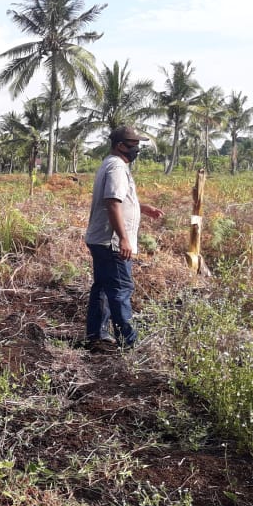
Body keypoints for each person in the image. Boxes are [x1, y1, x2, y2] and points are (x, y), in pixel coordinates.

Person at [83, 126, 164, 352]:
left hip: (100, 239)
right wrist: (124, 239)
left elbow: (118, 199)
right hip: (111, 242)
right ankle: (129, 344)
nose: (136, 149)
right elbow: (112, 202)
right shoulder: (117, 167)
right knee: (120, 289)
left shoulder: (111, 163)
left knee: (103, 287)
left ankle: (97, 335)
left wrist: (142, 207)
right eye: (133, 145)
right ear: (120, 145)